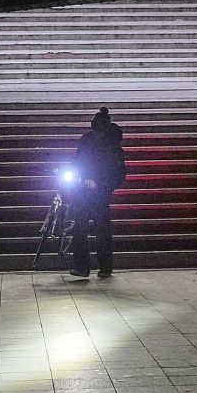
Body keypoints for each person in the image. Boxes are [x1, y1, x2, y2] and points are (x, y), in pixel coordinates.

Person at [68, 107, 125, 278]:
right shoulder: (90, 139)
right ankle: (89, 266)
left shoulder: (111, 144)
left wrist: (102, 184)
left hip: (99, 191)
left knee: (95, 228)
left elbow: (116, 171)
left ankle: (94, 266)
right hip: (86, 189)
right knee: (86, 227)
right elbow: (79, 159)